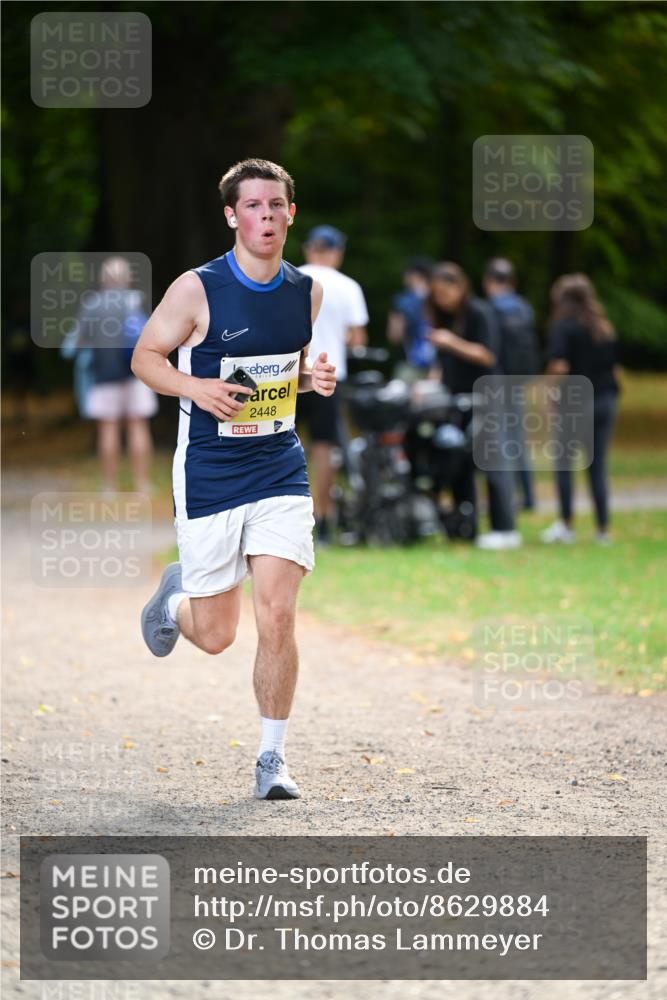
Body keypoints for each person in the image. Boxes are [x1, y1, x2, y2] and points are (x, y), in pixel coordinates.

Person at [131, 158, 335, 801]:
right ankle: (173, 600)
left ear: (290, 214)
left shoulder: (308, 291)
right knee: (217, 636)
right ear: (232, 216)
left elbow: (287, 369)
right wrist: (196, 387)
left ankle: (272, 758)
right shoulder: (198, 289)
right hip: (210, 472)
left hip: (279, 465)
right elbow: (144, 356)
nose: (266, 217)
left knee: (277, 614)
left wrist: (312, 380)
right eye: (253, 206)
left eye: (276, 206)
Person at [426, 262, 521, 549]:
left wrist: (451, 342)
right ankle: (465, 524)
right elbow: (442, 362)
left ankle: (505, 528)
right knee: (460, 460)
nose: (441, 299)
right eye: (437, 294)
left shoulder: (479, 313)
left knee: (491, 459)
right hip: (457, 398)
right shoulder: (446, 317)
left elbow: (487, 355)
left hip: (487, 394)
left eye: (445, 292)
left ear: (460, 287)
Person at [298, 225, 368, 543]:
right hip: (329, 375)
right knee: (325, 447)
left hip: (291, 371)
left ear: (309, 249)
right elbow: (357, 339)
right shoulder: (348, 286)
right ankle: (322, 516)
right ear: (337, 252)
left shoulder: (291, 278)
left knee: (278, 440)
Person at [541, 274, 621, 545]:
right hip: (606, 400)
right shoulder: (603, 328)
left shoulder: (564, 327)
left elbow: (560, 365)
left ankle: (566, 525)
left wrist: (550, 392)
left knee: (564, 463)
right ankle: (602, 529)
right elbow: (616, 370)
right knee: (597, 466)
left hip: (575, 402)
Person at [73, 257, 157, 494]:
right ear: (127, 277)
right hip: (136, 374)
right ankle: (143, 485)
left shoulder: (92, 304)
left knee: (108, 429)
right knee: (138, 426)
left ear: (103, 278)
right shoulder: (136, 301)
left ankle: (109, 487)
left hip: (103, 375)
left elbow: (78, 341)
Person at [483, 257, 539, 511]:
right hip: (519, 380)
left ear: (489, 281)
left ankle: (506, 498)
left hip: (498, 380)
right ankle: (528, 495)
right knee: (519, 439)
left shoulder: (491, 308)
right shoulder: (525, 308)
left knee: (502, 439)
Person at [386, 257, 435, 382]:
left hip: (411, 366)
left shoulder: (403, 301)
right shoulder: (440, 299)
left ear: (415, 275)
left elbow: (395, 336)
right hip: (438, 367)